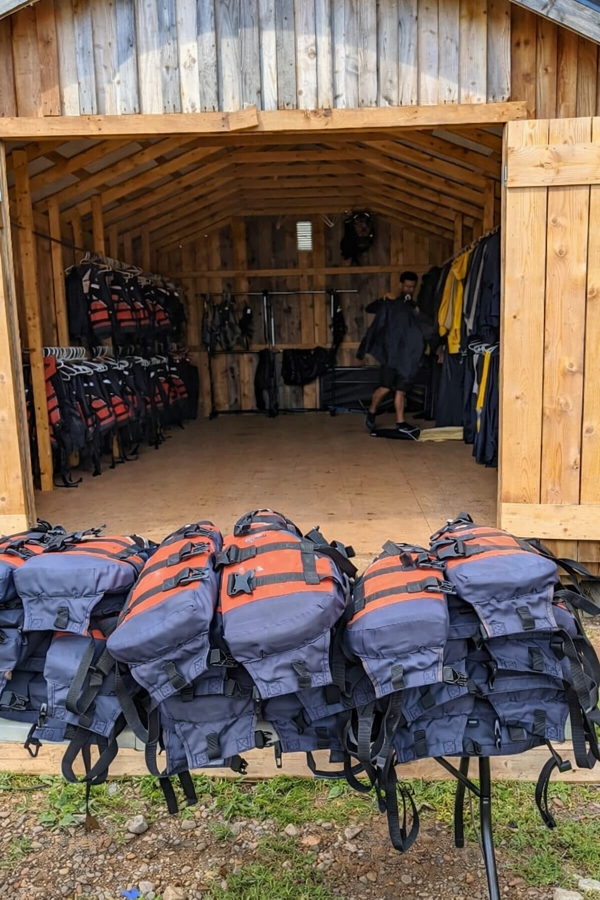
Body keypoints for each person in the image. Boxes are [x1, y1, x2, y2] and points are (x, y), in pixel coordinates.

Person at [355, 271, 434, 438]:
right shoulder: (390, 304)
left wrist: (436, 347)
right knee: (385, 388)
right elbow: (370, 312)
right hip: (390, 356)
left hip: (408, 358)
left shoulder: (415, 308)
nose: (409, 289)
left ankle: (400, 422)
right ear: (400, 285)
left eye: (412, 287)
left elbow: (429, 329)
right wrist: (360, 353)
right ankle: (371, 411)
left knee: (401, 390)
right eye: (407, 286)